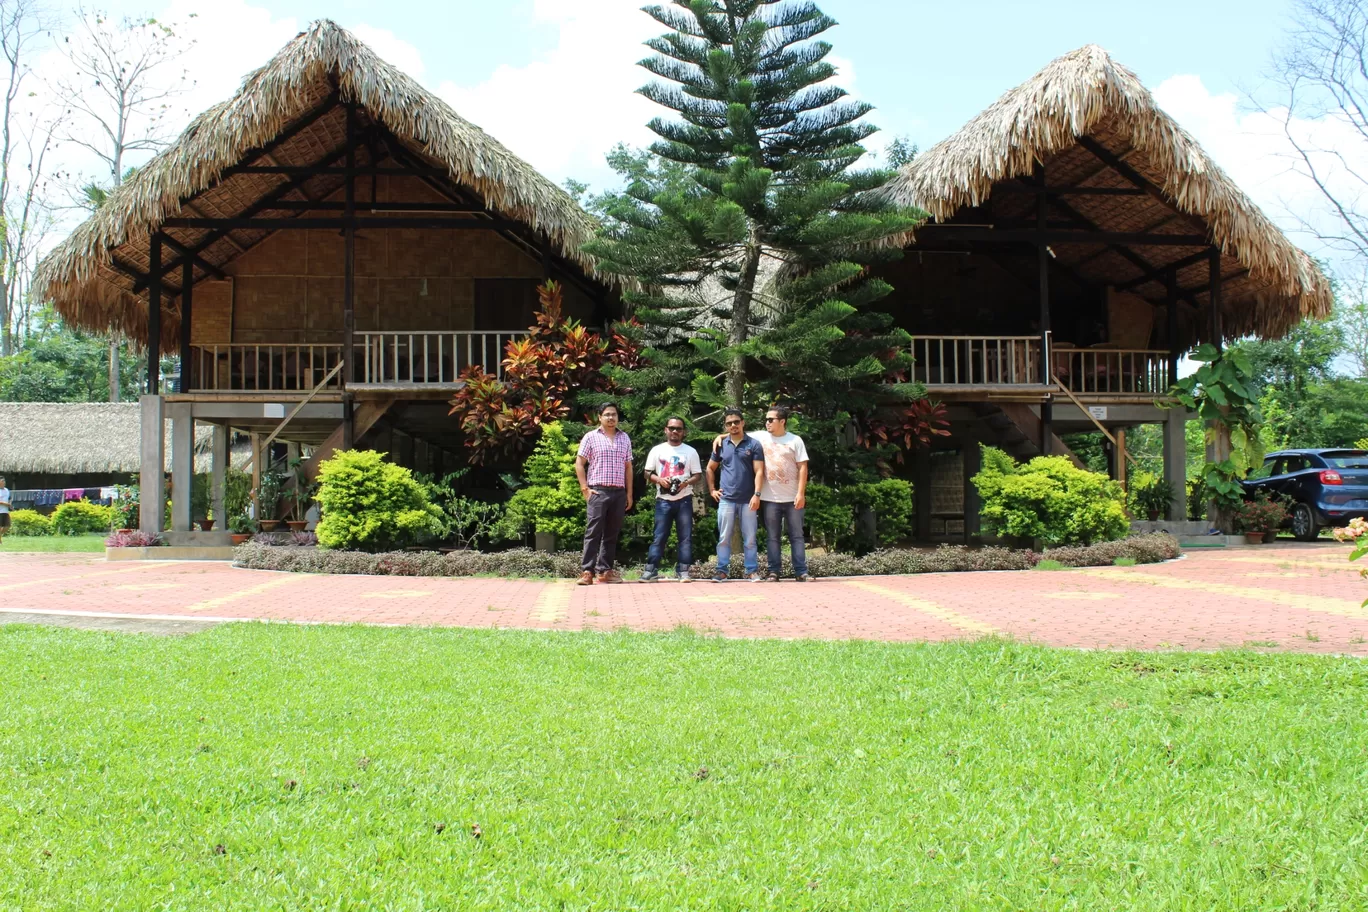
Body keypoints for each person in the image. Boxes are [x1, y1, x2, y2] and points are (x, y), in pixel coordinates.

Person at [574, 402, 634, 585]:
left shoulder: (624, 438)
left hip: (618, 493)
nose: (611, 418)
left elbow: (628, 468)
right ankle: (587, 571)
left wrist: (629, 493)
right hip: (597, 491)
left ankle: (605, 571)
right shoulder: (591, 437)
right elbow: (579, 463)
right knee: (593, 532)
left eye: (614, 414)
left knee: (611, 534)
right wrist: (585, 488)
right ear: (599, 417)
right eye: (607, 414)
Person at [705, 408, 765, 582]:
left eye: (736, 422)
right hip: (726, 500)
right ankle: (722, 571)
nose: (733, 425)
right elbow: (710, 468)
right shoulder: (721, 444)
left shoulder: (753, 444)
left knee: (751, 539)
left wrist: (757, 494)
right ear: (726, 426)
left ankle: (751, 571)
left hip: (748, 500)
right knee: (723, 538)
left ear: (743, 423)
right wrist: (712, 490)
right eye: (729, 423)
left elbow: (759, 471)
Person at [751, 406, 810, 581]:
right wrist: (720, 437)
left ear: (782, 421)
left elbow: (803, 467)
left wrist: (800, 493)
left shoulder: (795, 440)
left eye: (771, 419)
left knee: (797, 536)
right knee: (772, 537)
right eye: (766, 419)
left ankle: (801, 571)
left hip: (792, 498)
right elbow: (738, 434)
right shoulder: (760, 437)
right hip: (770, 498)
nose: (767, 422)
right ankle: (774, 571)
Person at [641, 417, 703, 582]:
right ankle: (651, 570)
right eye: (672, 428)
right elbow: (647, 472)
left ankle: (683, 570)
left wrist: (685, 483)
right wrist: (659, 480)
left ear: (684, 432)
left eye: (679, 429)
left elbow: (697, 475)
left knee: (685, 536)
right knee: (659, 536)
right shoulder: (657, 450)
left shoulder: (690, 451)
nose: (675, 431)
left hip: (684, 499)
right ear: (666, 430)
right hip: (663, 499)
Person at [0, 476, 10, 543]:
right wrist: (6, 504)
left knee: (7, 526)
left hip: (6, 511)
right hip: (0, 511)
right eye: (2, 481)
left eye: (4, 481)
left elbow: (10, 498)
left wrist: (10, 504)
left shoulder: (7, 490)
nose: (4, 482)